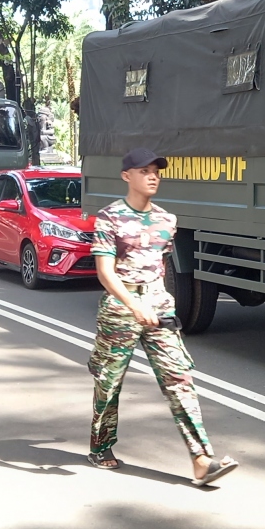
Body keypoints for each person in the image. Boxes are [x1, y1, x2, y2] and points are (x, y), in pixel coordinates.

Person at [87, 147, 238, 485]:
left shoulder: (166, 221)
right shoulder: (109, 217)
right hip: (120, 310)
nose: (153, 175)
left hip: (159, 310)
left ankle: (202, 459)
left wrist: (157, 301)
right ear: (127, 176)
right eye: (144, 170)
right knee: (108, 382)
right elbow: (104, 272)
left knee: (179, 380)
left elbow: (160, 265)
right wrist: (132, 304)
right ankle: (100, 446)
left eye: (156, 170)